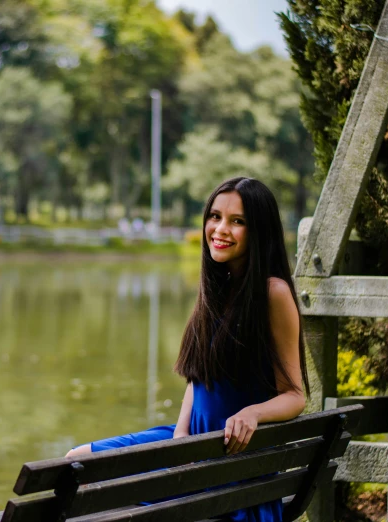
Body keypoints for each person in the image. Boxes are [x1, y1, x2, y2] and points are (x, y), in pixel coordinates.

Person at [65, 177, 310, 522]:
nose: (221, 229)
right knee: (76, 461)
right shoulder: (218, 287)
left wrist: (252, 413)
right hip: (192, 447)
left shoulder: (273, 294)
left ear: (260, 231)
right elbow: (198, 378)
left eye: (237, 221)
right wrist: (180, 439)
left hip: (230, 468)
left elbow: (296, 394)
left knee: (82, 485)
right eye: (215, 216)